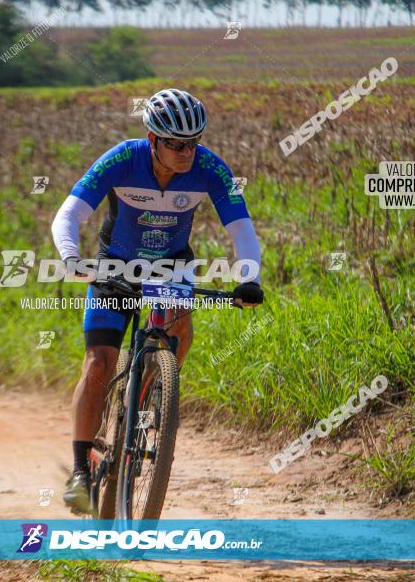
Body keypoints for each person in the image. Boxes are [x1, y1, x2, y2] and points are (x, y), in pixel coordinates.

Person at [50, 88, 264, 513]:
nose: (187, 152)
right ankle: (80, 470)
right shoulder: (122, 158)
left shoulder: (209, 169)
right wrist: (71, 257)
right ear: (153, 139)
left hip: (171, 266)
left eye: (193, 142)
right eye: (176, 144)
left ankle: (157, 392)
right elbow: (70, 214)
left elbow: (241, 228)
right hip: (115, 266)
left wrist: (249, 279)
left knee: (180, 326)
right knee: (99, 363)